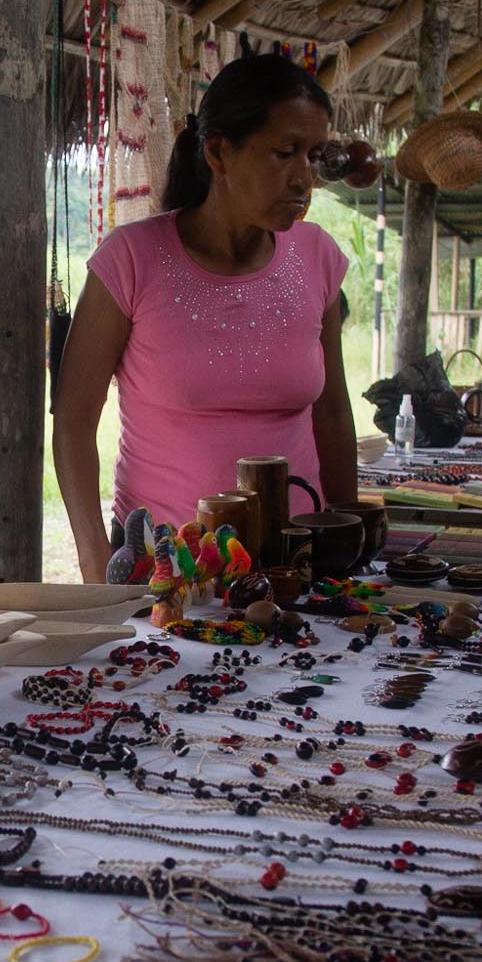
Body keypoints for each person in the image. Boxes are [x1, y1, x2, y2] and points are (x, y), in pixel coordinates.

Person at [53, 53, 356, 583]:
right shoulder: (132, 259)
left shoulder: (317, 258)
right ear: (218, 151)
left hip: (294, 568)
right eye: (285, 153)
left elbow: (331, 413)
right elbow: (74, 420)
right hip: (165, 572)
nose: (303, 178)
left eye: (314, 156)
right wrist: (95, 563)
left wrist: (347, 540)